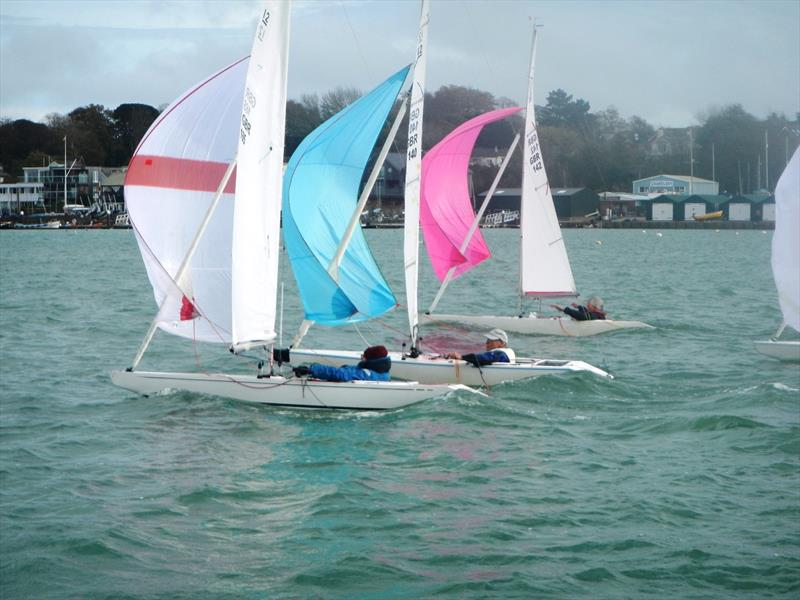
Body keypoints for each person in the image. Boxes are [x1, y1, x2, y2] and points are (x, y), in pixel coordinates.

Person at [292, 345, 391, 382]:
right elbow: (353, 370)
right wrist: (345, 367)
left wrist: (312, 369)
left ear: (371, 360)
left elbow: (341, 375)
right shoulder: (381, 372)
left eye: (363, 357)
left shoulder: (367, 373)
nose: (361, 359)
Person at [443, 328, 515, 367]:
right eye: (487, 340)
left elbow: (484, 358)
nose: (487, 343)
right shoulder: (506, 353)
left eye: (491, 340)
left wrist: (461, 357)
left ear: (502, 343)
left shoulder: (500, 354)